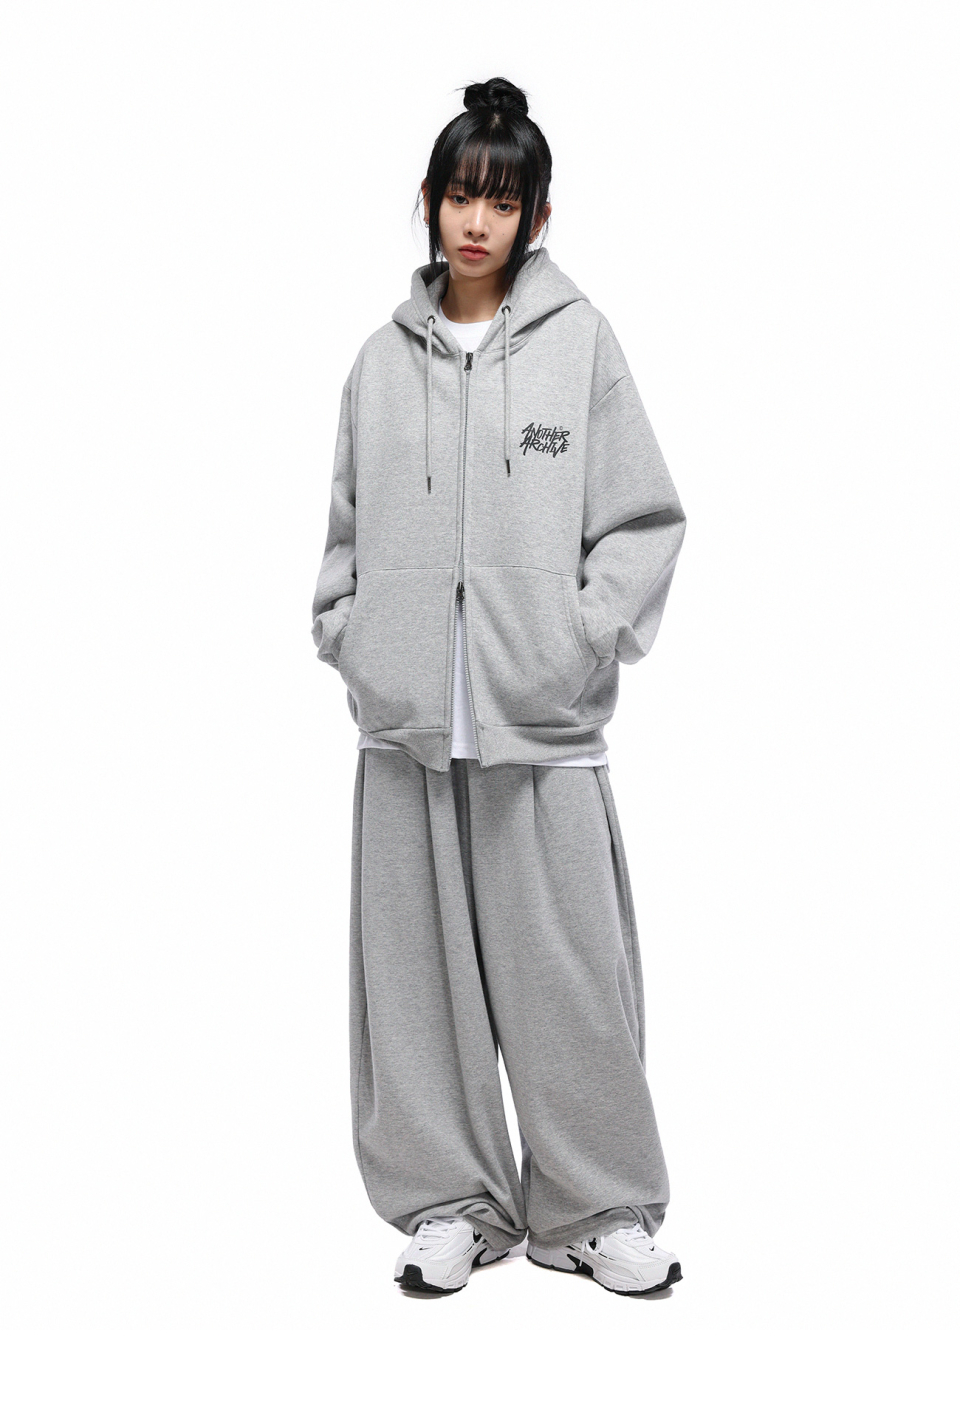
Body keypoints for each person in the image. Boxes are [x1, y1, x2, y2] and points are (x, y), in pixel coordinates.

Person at [311, 76, 687, 1297]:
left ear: (536, 215)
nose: (478, 221)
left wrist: (582, 639)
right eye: (462, 196)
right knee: (415, 987)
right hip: (408, 730)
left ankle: (597, 1209)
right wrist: (356, 639)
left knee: (569, 979)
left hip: (543, 725)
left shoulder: (581, 344)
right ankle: (451, 1205)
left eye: (504, 200)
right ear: (428, 201)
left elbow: (642, 521)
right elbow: (344, 539)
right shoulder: (380, 363)